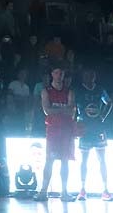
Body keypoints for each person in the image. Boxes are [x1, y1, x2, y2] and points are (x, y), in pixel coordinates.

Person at [35, 67, 75, 201]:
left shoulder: (69, 91)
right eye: (57, 72)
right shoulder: (46, 91)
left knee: (65, 161)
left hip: (66, 131)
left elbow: (71, 112)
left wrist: (56, 109)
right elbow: (46, 110)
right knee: (49, 160)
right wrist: (63, 109)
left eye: (61, 73)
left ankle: (64, 192)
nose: (59, 75)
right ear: (52, 74)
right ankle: (43, 191)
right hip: (53, 130)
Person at [75, 69, 113, 201]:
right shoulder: (78, 90)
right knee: (84, 160)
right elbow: (73, 107)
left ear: (95, 76)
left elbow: (109, 102)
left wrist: (103, 115)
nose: (90, 78)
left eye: (92, 75)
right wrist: (75, 122)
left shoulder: (100, 89)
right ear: (83, 76)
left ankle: (105, 189)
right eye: (87, 75)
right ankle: (82, 189)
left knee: (102, 159)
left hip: (98, 128)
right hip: (84, 128)